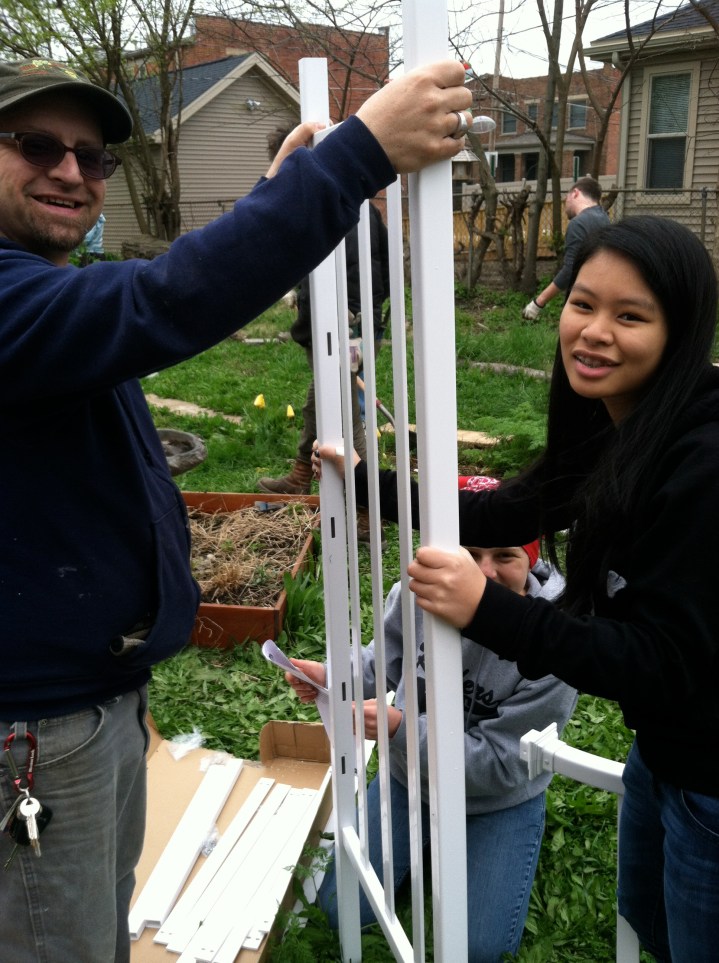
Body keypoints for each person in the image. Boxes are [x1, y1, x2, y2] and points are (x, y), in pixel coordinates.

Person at [0, 55, 472, 963]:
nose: (71, 172)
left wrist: (284, 195)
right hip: (35, 733)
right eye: (37, 146)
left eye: (92, 158)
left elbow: (146, 305)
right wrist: (356, 156)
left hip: (78, 706)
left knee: (90, 929)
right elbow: (159, 300)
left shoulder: (36, 294)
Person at [316, 216, 719, 962]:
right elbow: (509, 509)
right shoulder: (621, 420)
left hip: (710, 776)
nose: (593, 332)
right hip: (665, 747)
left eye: (629, 315)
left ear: (681, 328)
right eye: (582, 303)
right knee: (649, 926)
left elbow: (656, 660)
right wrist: (365, 482)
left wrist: (486, 608)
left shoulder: (702, 458)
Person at [285, 475, 576, 962]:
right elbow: (383, 662)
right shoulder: (419, 594)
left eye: (505, 555)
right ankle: (421, 845)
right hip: (410, 781)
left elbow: (505, 764)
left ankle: (489, 848)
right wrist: (333, 675)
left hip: (496, 801)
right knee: (336, 910)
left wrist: (400, 729)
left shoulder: (556, 638)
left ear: (531, 559)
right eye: (469, 553)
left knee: (478, 950)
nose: (482, 573)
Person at [258, 127, 390, 518]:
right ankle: (302, 471)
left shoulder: (335, 204)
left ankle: (367, 508)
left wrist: (358, 320)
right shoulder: (355, 203)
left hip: (348, 327)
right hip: (342, 325)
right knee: (320, 401)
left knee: (349, 415)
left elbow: (371, 270)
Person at [522, 176, 610, 321]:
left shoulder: (579, 223)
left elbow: (570, 270)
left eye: (566, 198)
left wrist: (538, 303)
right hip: (599, 297)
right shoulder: (604, 218)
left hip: (581, 300)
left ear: (575, 193)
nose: (565, 203)